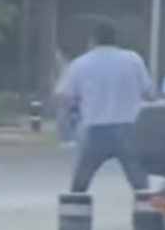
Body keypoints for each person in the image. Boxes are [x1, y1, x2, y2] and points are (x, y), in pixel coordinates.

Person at [56, 21, 154, 192]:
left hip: (95, 129)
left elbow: (64, 97)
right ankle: (145, 213)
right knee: (139, 183)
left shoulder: (81, 64)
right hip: (128, 126)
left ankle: (76, 211)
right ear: (115, 40)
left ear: (92, 40)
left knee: (80, 183)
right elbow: (149, 93)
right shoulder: (133, 60)